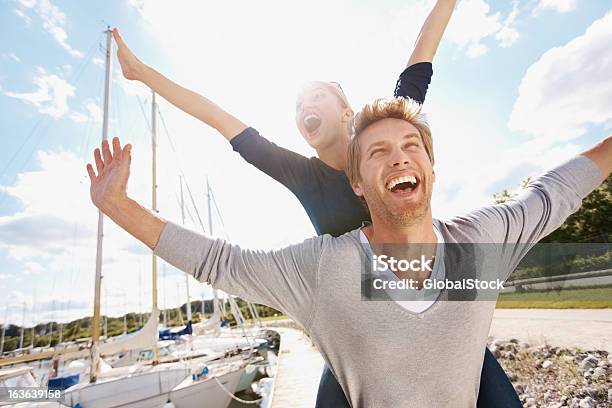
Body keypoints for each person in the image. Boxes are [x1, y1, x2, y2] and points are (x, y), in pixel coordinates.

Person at [112, 2, 526, 405]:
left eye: (316, 97)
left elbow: (423, 49)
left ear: (348, 112)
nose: (304, 107)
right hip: (354, 327)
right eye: (297, 105)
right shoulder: (301, 173)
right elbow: (219, 117)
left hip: (434, 313)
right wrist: (142, 73)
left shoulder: (387, 130)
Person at [85, 97, 611, 406]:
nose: (398, 158)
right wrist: (117, 204)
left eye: (411, 147)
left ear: (430, 167)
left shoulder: (481, 241)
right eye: (378, 151)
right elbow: (221, 261)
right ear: (357, 183)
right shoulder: (322, 269)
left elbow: (554, 191)